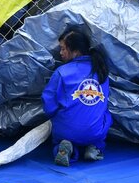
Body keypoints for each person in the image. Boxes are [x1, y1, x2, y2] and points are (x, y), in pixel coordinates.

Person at [41, 26, 111, 167]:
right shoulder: (101, 70)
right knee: (106, 116)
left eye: (63, 49)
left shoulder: (62, 72)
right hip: (94, 132)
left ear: (75, 51)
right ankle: (94, 147)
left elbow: (49, 105)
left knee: (62, 129)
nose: (60, 53)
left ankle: (65, 149)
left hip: (66, 132)